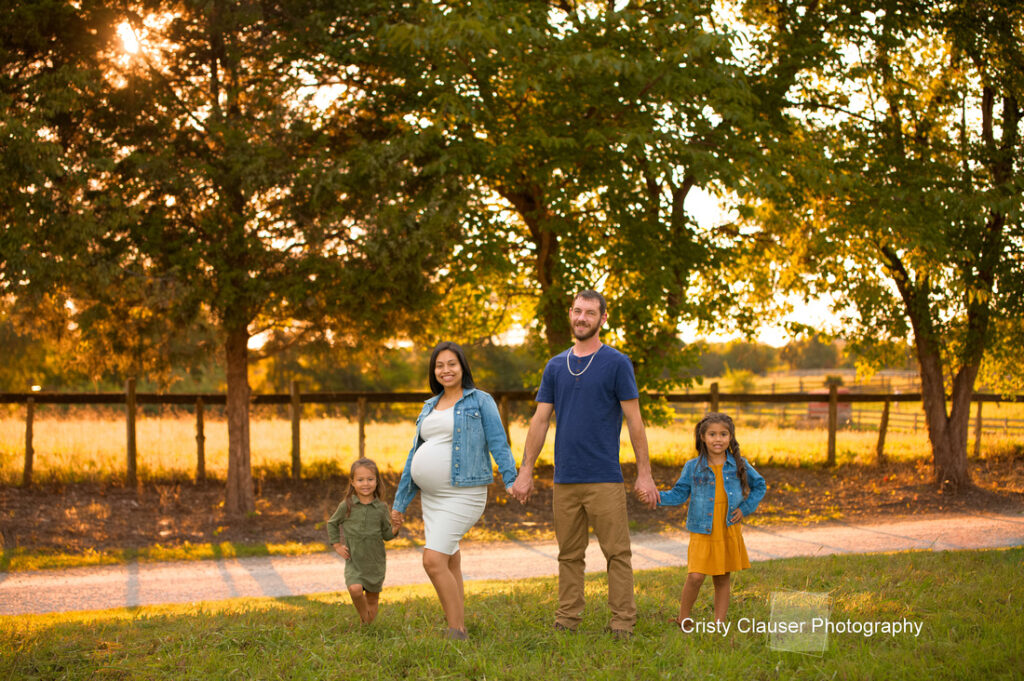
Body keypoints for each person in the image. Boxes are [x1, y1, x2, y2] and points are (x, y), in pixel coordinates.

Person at [510, 290, 659, 639]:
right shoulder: (556, 365)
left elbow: (635, 421)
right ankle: (567, 619)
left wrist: (645, 474)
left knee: (617, 553)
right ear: (570, 313)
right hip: (565, 478)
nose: (582, 318)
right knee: (569, 554)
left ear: (602, 319)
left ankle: (622, 622)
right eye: (577, 311)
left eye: (590, 313)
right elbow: (540, 420)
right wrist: (526, 470)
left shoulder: (616, 363)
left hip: (604, 477)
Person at [391, 341, 518, 640]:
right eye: (439, 365)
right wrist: (399, 504)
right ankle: (460, 625)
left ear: (462, 367)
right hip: (433, 497)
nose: (445, 370)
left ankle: (455, 630)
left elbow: (498, 442)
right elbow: (414, 457)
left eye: (451, 364)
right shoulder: (429, 406)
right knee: (449, 559)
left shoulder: (480, 400)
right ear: (433, 371)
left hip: (464, 492)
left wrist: (511, 480)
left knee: (432, 560)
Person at [657, 412, 767, 630]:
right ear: (703, 437)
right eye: (712, 434)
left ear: (731, 437)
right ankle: (683, 619)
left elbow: (759, 485)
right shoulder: (693, 467)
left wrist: (745, 508)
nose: (718, 439)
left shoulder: (738, 464)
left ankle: (719, 624)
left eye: (723, 434)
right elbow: (679, 494)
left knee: (722, 577)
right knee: (696, 576)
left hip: (727, 527)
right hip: (702, 528)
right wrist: (656, 496)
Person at [327, 457, 402, 624]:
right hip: (355, 560)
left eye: (370, 479)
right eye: (360, 480)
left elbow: (386, 535)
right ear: (352, 482)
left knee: (373, 600)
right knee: (355, 590)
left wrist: (396, 528)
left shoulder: (381, 507)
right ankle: (365, 619)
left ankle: (368, 629)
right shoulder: (347, 505)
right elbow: (332, 523)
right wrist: (337, 545)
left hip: (375, 561)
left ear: (376, 481)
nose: (365, 484)